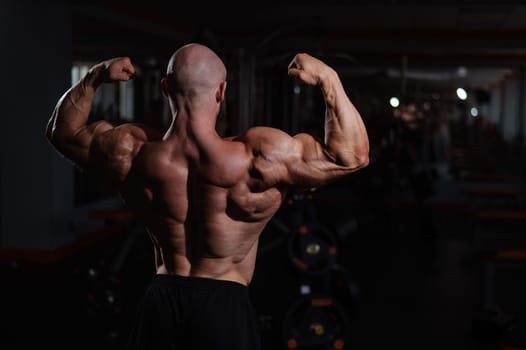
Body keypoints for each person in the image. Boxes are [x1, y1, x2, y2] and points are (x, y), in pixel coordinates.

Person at [46, 43, 369, 350]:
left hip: (162, 299)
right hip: (224, 305)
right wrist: (328, 78)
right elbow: (351, 156)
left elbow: (63, 133)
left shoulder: (131, 152)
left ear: (165, 89)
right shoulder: (258, 157)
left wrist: (95, 76)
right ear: (222, 91)